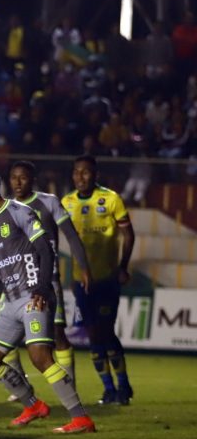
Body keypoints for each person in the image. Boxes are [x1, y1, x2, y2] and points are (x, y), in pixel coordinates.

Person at [0, 164, 95, 434]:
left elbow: (45, 250)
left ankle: (81, 418)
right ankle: (33, 405)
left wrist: (43, 289)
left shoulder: (19, 212)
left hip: (34, 297)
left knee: (40, 356)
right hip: (10, 302)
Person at [0, 161, 91, 396]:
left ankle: (69, 385)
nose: (17, 182)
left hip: (45, 279)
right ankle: (21, 388)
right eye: (13, 177)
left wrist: (83, 266)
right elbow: (1, 253)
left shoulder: (49, 202)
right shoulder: (6, 209)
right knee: (3, 337)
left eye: (22, 178)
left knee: (56, 334)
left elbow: (72, 237)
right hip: (13, 282)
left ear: (32, 180)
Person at [62, 156, 135, 405]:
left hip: (106, 279)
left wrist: (123, 266)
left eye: (86, 172)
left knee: (105, 332)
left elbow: (128, 233)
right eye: (76, 172)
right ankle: (109, 390)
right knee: (93, 334)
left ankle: (123, 386)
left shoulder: (111, 199)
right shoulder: (66, 202)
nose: (80, 177)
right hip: (81, 282)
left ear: (95, 175)